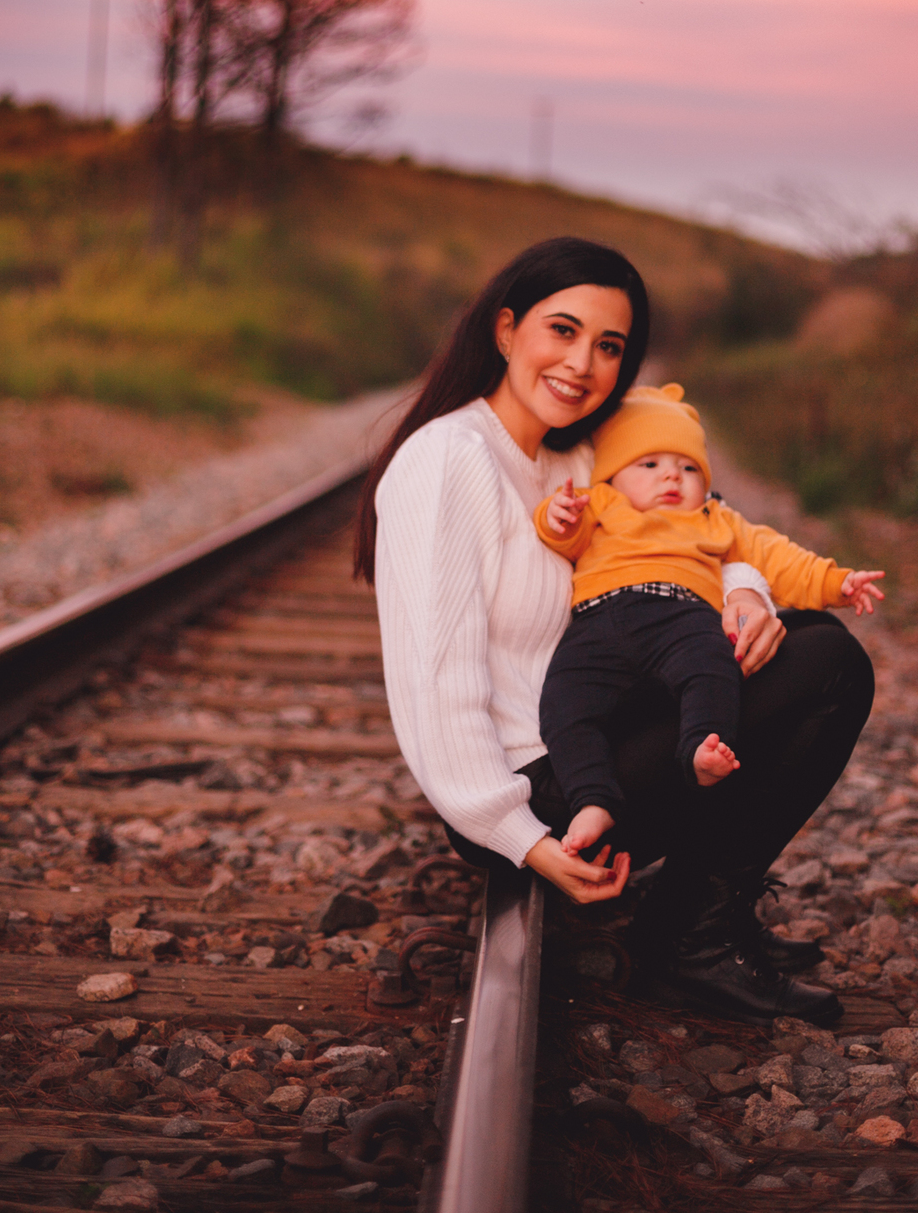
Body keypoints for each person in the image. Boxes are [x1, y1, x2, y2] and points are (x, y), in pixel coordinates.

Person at [354, 237, 877, 1024]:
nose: (582, 364)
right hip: (541, 789)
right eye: (561, 331)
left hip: (595, 733)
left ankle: (703, 921)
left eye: (609, 346)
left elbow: (701, 530)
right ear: (505, 331)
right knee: (829, 664)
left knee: (811, 641)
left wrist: (746, 592)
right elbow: (436, 680)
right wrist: (520, 836)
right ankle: (690, 941)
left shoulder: (573, 459)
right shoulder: (448, 463)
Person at [534, 383, 884, 864]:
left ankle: (702, 746)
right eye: (650, 465)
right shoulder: (601, 504)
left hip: (682, 617)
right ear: (613, 475)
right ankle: (592, 799)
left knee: (712, 670)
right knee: (564, 706)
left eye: (689, 467)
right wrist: (557, 516)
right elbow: (562, 535)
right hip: (599, 624)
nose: (671, 477)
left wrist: (836, 582)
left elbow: (776, 557)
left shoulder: (715, 518)